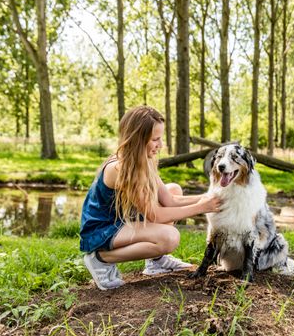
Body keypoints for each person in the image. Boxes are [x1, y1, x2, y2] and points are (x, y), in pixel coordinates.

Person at [80, 106, 222, 290]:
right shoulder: (122, 168)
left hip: (122, 220)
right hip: (102, 229)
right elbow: (157, 216)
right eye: (155, 139)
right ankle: (100, 259)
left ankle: (156, 262)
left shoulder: (144, 160)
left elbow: (169, 201)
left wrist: (210, 197)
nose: (160, 145)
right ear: (138, 139)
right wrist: (202, 207)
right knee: (169, 238)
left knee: (174, 190)